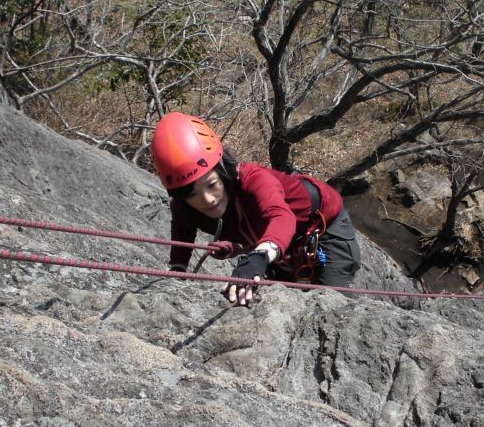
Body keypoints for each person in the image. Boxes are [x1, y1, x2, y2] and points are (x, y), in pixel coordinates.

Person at [152, 112, 362, 306]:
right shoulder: (184, 208)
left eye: (212, 184)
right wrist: (178, 270)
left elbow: (281, 216)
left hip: (321, 226)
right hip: (273, 241)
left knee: (332, 300)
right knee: (283, 301)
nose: (208, 199)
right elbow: (183, 232)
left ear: (223, 171)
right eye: (191, 194)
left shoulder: (253, 179)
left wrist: (259, 256)